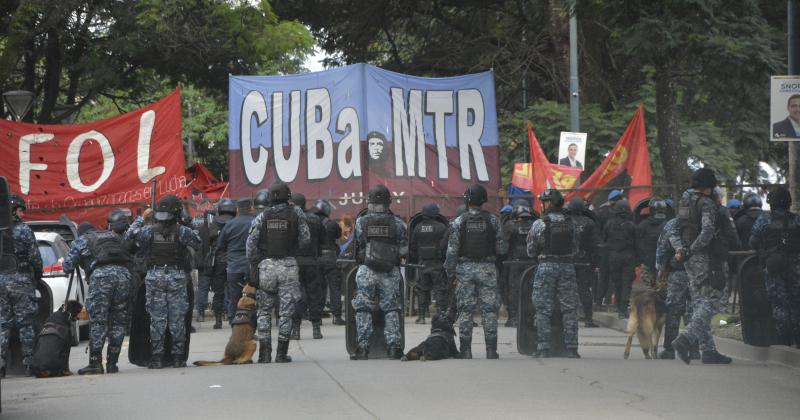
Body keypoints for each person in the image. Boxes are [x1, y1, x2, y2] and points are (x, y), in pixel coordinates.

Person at [125, 195, 201, 368]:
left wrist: (141, 218)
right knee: (177, 318)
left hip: (155, 276)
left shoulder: (148, 231)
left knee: (157, 318)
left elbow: (130, 237)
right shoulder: (183, 231)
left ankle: (157, 357)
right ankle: (177, 358)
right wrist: (187, 221)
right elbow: (198, 241)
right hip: (177, 276)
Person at [669, 168, 732, 364]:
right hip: (704, 259)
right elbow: (706, 233)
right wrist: (692, 250)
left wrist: (681, 250)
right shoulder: (707, 204)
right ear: (708, 186)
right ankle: (686, 338)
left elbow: (674, 229)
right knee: (713, 300)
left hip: (688, 260)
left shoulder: (685, 202)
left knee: (698, 302)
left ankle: (708, 350)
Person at [63, 209, 133, 374]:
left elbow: (67, 266)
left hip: (101, 278)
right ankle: (112, 363)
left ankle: (95, 363)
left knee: (99, 321)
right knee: (118, 320)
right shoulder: (114, 236)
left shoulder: (82, 240)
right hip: (124, 276)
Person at [246, 182, 310, 363]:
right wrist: (296, 251)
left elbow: (250, 244)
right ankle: (281, 354)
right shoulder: (296, 213)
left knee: (264, 311)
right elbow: (305, 239)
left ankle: (264, 354)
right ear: (288, 196)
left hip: (266, 266)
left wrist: (255, 263)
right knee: (286, 312)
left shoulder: (262, 216)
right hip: (289, 266)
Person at [444, 184, 506, 359]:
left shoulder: (459, 221)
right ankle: (491, 350)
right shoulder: (493, 220)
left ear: (467, 200)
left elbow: (452, 250)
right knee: (489, 311)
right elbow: (502, 248)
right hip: (488, 270)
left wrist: (450, 272)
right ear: (483, 200)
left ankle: (466, 350)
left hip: (465, 270)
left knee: (465, 311)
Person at [350, 185, 408, 360]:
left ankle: (363, 348)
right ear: (388, 201)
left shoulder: (361, 222)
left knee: (363, 309)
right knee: (391, 309)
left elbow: (359, 244)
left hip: (367, 270)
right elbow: (404, 249)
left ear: (370, 201)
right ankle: (394, 348)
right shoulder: (398, 223)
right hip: (389, 272)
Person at [526, 189, 580, 358]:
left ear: (549, 203)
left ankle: (544, 347)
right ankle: (571, 348)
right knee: (569, 308)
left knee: (543, 308)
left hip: (546, 267)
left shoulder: (539, 224)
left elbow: (531, 250)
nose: (542, 205)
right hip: (567, 267)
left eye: (544, 201)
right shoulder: (572, 223)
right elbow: (576, 249)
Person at [749, 186, 800, 347]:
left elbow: (753, 240)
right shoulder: (796, 219)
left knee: (779, 304)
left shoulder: (765, 219)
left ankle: (784, 340)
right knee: (796, 302)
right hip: (796, 267)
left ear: (771, 203)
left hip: (773, 266)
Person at [0, 195, 42, 376]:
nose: (22, 213)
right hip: (21, 280)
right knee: (26, 324)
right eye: (20, 210)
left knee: (2, 324)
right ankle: (28, 364)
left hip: (1, 281)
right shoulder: (24, 231)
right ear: (13, 212)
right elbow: (35, 258)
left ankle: (1, 364)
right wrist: (37, 276)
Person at [655, 217, 699, 360]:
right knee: (694, 310)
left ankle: (669, 349)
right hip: (698, 272)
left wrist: (661, 268)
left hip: (678, 272)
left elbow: (662, 246)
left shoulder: (673, 223)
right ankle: (694, 350)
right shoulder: (704, 221)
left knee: (673, 310)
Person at [290, 193, 325, 340]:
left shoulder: (291, 219)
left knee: (296, 296)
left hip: (295, 262)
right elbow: (323, 241)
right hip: (312, 261)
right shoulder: (315, 219)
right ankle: (316, 329)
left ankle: (296, 330)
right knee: (314, 295)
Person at [218, 198, 257, 326]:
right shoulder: (256, 222)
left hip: (234, 266)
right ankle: (251, 323)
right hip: (252, 266)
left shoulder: (230, 224)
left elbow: (221, 245)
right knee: (252, 295)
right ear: (251, 208)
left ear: (237, 209)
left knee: (233, 296)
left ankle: (233, 321)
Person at [197, 199, 235, 329]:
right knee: (234, 291)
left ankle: (218, 320)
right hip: (233, 259)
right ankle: (231, 317)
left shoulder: (215, 223)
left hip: (218, 261)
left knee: (218, 292)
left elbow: (210, 240)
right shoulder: (235, 222)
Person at [409, 203, 449, 323]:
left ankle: (421, 317)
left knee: (422, 289)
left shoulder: (417, 228)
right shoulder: (441, 227)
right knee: (439, 288)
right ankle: (440, 315)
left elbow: (413, 246)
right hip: (437, 263)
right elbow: (446, 245)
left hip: (422, 263)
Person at [564, 197, 600, 328]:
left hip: (567, 261)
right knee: (585, 290)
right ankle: (588, 319)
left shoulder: (565, 222)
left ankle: (567, 318)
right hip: (584, 261)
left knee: (566, 290)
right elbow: (595, 244)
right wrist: (594, 262)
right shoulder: (589, 223)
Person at [501, 199, 536, 327]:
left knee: (514, 290)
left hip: (514, 263)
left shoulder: (510, 225)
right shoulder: (535, 224)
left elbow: (503, 248)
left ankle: (514, 317)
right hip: (531, 263)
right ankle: (529, 318)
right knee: (531, 290)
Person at [603, 200, 637, 319]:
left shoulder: (609, 224)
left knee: (617, 283)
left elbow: (604, 240)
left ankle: (619, 309)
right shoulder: (632, 226)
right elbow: (636, 244)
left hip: (614, 257)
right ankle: (623, 309)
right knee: (626, 283)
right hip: (628, 257)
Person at [314, 199, 346, 325]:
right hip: (331, 257)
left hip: (317, 258)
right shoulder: (332, 224)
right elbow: (338, 236)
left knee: (318, 288)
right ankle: (336, 316)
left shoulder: (312, 223)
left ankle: (318, 316)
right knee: (335, 287)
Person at [594, 189, 624, 306]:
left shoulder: (600, 211)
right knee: (613, 277)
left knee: (603, 276)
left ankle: (598, 301)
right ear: (618, 200)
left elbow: (597, 231)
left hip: (603, 249)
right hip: (615, 249)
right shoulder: (620, 213)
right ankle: (608, 300)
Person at [636, 198, 669, 290]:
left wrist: (640, 259)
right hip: (664, 263)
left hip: (647, 261)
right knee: (663, 290)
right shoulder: (668, 224)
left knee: (648, 292)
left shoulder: (643, 225)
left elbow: (637, 243)